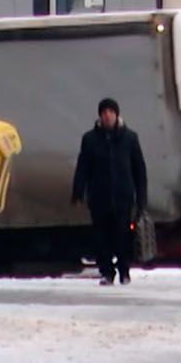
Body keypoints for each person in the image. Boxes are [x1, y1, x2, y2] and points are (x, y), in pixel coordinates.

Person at [72, 97, 148, 285]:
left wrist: (141, 199)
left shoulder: (130, 138)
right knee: (101, 238)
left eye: (111, 112)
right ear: (100, 116)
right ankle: (106, 272)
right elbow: (83, 167)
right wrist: (78, 191)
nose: (107, 116)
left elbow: (139, 169)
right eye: (104, 113)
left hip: (123, 198)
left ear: (117, 114)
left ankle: (124, 272)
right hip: (99, 198)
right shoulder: (90, 139)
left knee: (123, 237)